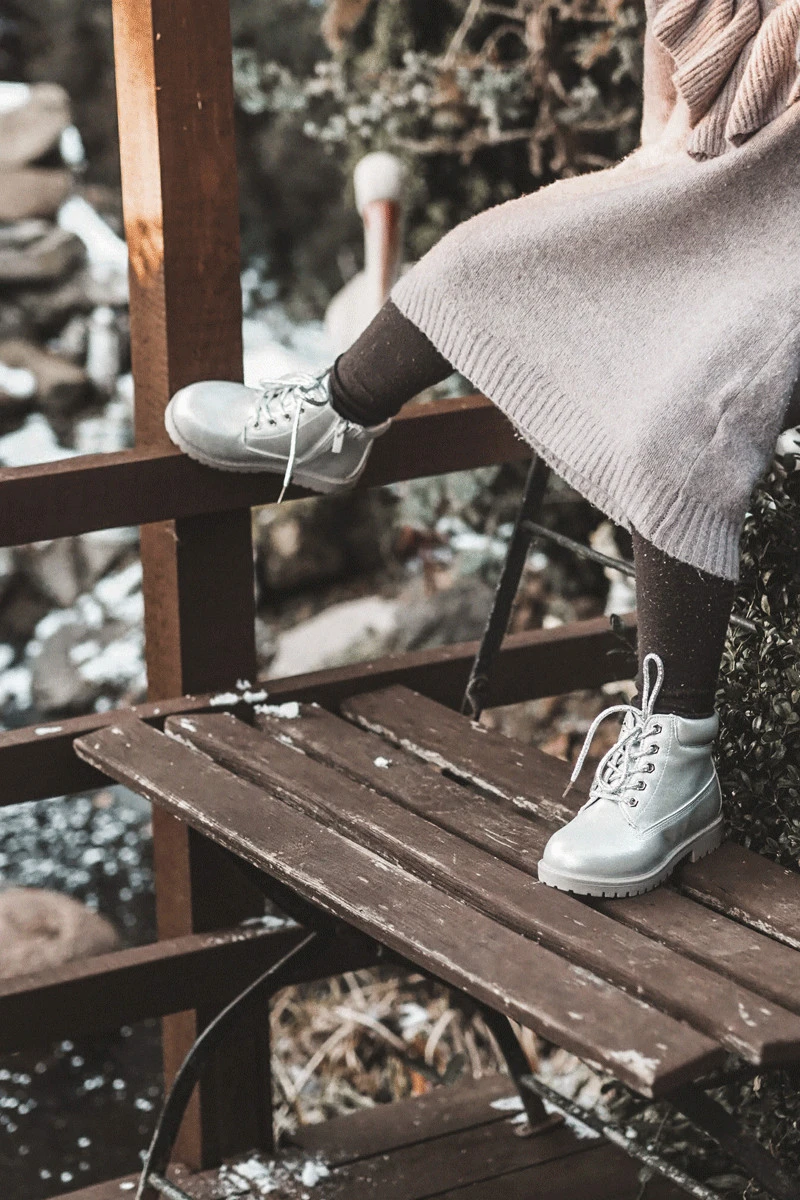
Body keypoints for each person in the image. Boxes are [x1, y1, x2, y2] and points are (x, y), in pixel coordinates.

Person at [164, 0, 800, 899]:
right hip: (720, 182)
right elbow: (671, 106)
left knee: (686, 423)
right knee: (477, 258)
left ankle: (678, 756)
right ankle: (335, 418)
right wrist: (640, 191)